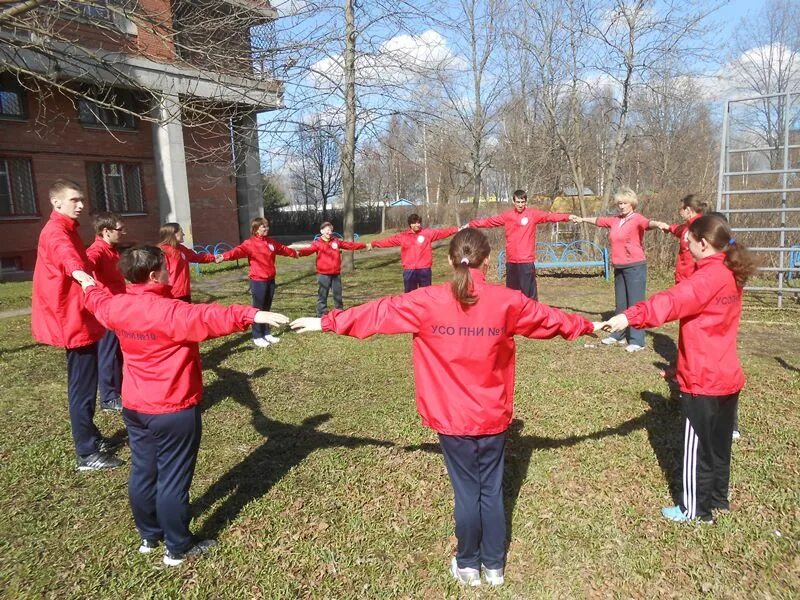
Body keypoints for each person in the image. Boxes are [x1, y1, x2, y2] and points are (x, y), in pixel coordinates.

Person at [291, 229, 600, 586]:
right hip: (490, 415)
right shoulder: (506, 301)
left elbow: (377, 313)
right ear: (487, 261)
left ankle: (469, 563)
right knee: (491, 490)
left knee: (469, 490)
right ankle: (494, 566)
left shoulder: (429, 301)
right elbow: (550, 318)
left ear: (448, 260)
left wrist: (326, 321)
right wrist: (588, 324)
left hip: (453, 419)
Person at [81, 245, 289, 566]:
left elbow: (96, 299)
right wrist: (253, 314)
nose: (171, 272)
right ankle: (177, 547)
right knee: (173, 479)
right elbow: (210, 316)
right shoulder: (170, 312)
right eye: (167, 268)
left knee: (143, 471)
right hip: (173, 408)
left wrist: (85, 280)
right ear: (154, 275)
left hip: (136, 408)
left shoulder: (117, 306)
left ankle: (149, 535)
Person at [602, 215, 756, 524]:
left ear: (703, 243)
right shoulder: (730, 271)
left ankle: (693, 510)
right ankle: (717, 498)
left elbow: (672, 301)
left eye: (689, 238)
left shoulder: (707, 278)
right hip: (726, 374)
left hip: (703, 380)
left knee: (696, 446)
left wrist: (629, 317)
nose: (684, 241)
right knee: (719, 443)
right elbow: (708, 324)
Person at [31, 179, 123, 470]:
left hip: (79, 316)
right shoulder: (57, 231)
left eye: (82, 199)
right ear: (56, 203)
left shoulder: (69, 229)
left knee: (85, 384)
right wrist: (82, 276)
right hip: (72, 321)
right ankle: (86, 452)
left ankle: (91, 436)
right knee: (82, 389)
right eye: (74, 200)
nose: (81, 205)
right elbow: (66, 255)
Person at [576, 187, 662, 352]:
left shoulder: (637, 218)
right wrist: (582, 219)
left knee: (636, 305)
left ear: (632, 204)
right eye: (619, 203)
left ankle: (637, 340)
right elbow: (599, 220)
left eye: (625, 203)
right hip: (619, 266)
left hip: (635, 266)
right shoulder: (615, 220)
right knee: (621, 304)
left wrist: (657, 224)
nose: (621, 206)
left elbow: (647, 224)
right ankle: (618, 334)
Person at [467, 189, 579, 300]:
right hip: (511, 262)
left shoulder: (532, 215)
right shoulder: (507, 216)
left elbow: (549, 217)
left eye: (522, 202)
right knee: (512, 295)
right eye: (518, 202)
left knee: (528, 296)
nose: (520, 205)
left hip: (526, 262)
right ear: (513, 202)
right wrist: (471, 224)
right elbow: (489, 222)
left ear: (526, 202)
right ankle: (514, 317)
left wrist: (568, 217)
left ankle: (532, 316)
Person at [215, 217, 298, 347]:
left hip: (270, 279)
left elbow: (282, 249)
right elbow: (237, 251)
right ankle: (257, 335)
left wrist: (294, 253)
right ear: (256, 230)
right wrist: (223, 256)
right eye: (263, 227)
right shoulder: (250, 243)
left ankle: (266, 333)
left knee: (267, 308)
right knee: (258, 310)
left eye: (267, 226)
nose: (266, 228)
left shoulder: (270, 242)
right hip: (258, 281)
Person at [86, 212, 127, 411]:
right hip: (107, 311)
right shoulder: (98, 250)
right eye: (120, 229)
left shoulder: (112, 249)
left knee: (118, 352)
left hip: (118, 307)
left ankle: (119, 390)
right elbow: (87, 262)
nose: (123, 232)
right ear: (106, 231)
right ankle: (109, 398)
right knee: (107, 353)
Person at [367, 213, 458, 292]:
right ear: (410, 224)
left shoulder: (427, 233)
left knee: (426, 295)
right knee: (410, 296)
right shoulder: (403, 236)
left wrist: (456, 229)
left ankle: (425, 312)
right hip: (409, 271)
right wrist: (374, 244)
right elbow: (388, 241)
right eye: (414, 223)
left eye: (418, 222)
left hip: (424, 269)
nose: (417, 225)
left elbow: (442, 232)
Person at [294, 222, 367, 316]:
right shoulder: (317, 243)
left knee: (338, 295)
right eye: (327, 230)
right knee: (322, 295)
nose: (330, 232)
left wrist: (364, 246)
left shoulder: (336, 241)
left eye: (331, 230)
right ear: (322, 231)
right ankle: (321, 313)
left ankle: (339, 312)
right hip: (323, 274)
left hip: (336, 274)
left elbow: (349, 245)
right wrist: (299, 253)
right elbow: (308, 250)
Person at [654, 194, 708, 283]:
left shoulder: (702, 226)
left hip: (693, 279)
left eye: (681, 209)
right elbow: (679, 229)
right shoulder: (687, 226)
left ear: (688, 210)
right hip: (682, 278)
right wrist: (668, 227)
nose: (680, 213)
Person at [158, 222, 215, 302]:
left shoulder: (182, 249)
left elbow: (197, 257)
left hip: (184, 293)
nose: (183, 234)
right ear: (173, 234)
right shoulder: (162, 251)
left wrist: (215, 258)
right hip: (170, 295)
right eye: (181, 231)